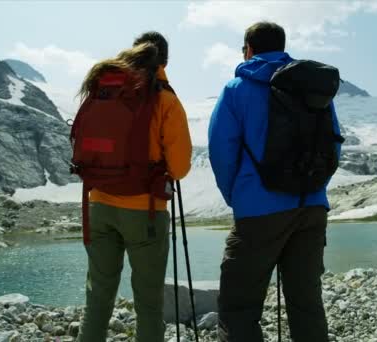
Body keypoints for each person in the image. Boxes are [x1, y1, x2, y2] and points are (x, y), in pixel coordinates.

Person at [208, 22, 342, 342]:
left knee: (239, 305)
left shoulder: (237, 89)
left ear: (249, 49)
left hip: (258, 210)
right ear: (283, 47)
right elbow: (334, 145)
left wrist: (238, 197)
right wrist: (313, 187)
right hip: (311, 208)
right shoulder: (314, 87)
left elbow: (221, 151)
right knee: (306, 303)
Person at [74, 32, 192, 342]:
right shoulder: (164, 98)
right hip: (145, 213)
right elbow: (179, 168)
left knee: (97, 298)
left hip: (98, 205)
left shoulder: (103, 90)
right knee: (149, 303)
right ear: (164, 61)